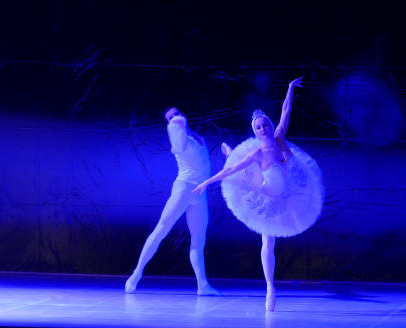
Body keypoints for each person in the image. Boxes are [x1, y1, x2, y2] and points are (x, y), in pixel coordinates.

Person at [193, 78, 325, 311]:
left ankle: (231, 152)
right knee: (267, 240)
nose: (262, 129)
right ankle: (270, 287)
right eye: (258, 128)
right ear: (254, 131)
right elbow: (231, 170)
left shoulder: (280, 138)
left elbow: (286, 110)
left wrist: (290, 87)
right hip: (266, 196)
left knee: (272, 233)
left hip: (288, 191)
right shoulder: (257, 153)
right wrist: (207, 181)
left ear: (269, 125)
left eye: (264, 125)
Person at [125, 107, 219, 296]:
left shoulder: (196, 137)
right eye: (170, 116)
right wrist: (175, 121)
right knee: (161, 229)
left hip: (199, 194)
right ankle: (136, 274)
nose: (175, 117)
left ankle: (202, 285)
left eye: (177, 113)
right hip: (183, 189)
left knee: (199, 239)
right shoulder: (177, 136)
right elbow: (177, 126)